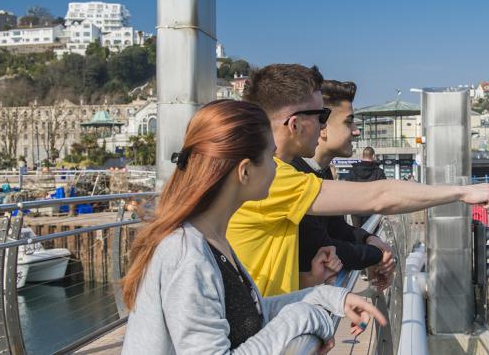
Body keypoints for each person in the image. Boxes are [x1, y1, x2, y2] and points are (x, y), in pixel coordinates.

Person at [121, 100, 386, 354]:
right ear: (245, 171)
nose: (277, 167)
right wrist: (305, 316)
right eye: (271, 157)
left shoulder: (210, 239)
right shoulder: (185, 255)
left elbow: (252, 314)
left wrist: (330, 298)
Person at [227, 64, 489, 297]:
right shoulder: (273, 178)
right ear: (295, 124)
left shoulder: (269, 172)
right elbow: (379, 196)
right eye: (321, 115)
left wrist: (307, 280)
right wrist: (462, 192)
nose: (324, 125)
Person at [291, 79, 394, 291]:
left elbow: (337, 227)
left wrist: (369, 238)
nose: (356, 131)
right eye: (349, 122)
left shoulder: (322, 170)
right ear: (322, 127)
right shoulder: (292, 172)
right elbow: (320, 245)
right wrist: (377, 255)